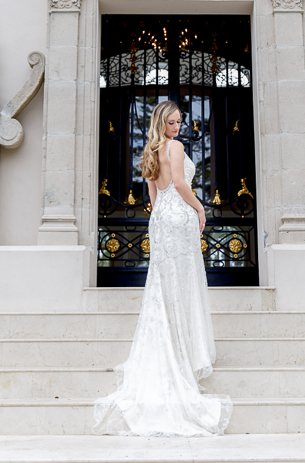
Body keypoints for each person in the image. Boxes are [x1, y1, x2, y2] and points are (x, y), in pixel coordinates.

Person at [93, 100, 233, 436]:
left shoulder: (150, 150)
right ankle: (183, 346)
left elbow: (154, 195)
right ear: (162, 122)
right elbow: (182, 186)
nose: (177, 127)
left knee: (161, 286)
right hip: (180, 216)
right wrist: (200, 209)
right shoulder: (175, 147)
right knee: (180, 286)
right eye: (172, 122)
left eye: (179, 122)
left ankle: (172, 340)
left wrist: (161, 218)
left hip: (161, 220)